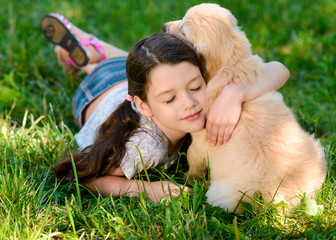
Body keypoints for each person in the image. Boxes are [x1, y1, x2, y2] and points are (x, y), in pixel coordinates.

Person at [41, 13, 290, 203]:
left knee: (154, 65)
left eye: (195, 87)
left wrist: (236, 92)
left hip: (140, 84)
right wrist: (147, 189)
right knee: (126, 70)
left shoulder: (207, 90)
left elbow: (279, 69)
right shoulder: (143, 146)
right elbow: (83, 177)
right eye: (171, 100)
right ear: (144, 106)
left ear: (203, 75)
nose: (189, 103)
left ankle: (93, 52)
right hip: (95, 92)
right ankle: (90, 61)